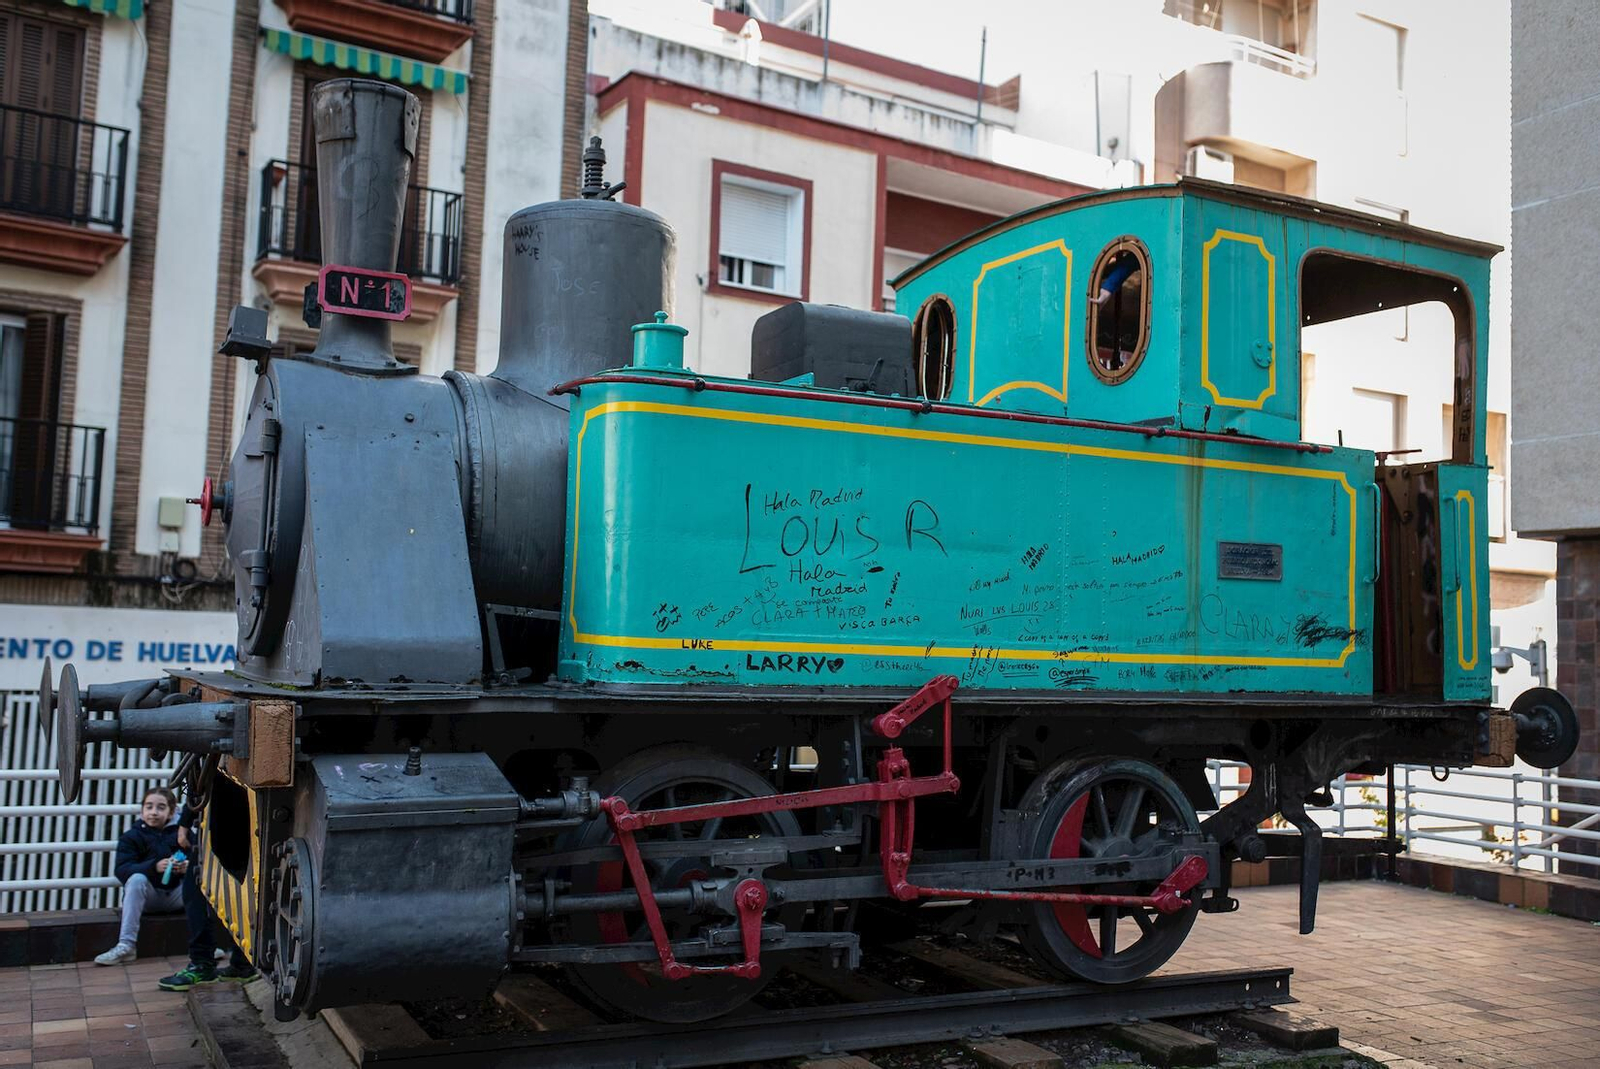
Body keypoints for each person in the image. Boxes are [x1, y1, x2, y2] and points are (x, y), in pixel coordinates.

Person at [156, 811, 258, 990]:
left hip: (217, 817)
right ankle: (242, 964)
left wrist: (185, 821)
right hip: (247, 818)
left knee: (195, 891)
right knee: (238, 888)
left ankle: (202, 964)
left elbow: (197, 784)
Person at [94, 787, 187, 965]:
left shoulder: (182, 834)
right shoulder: (131, 836)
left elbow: (200, 862)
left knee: (199, 878)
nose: (153, 812)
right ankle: (126, 946)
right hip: (148, 899)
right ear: (142, 810)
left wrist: (187, 867)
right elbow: (122, 870)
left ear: (171, 812)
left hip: (177, 896)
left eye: (161, 807)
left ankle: (206, 945)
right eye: (149, 806)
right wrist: (154, 867)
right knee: (136, 879)